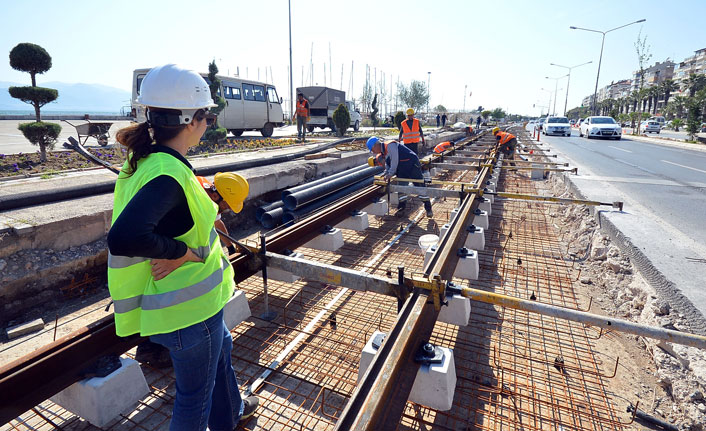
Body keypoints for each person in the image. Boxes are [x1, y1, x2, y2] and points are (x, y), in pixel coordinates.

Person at [107, 64, 258, 431]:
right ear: (190, 120)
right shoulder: (168, 175)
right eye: (206, 115)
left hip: (193, 307)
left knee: (222, 348)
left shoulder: (150, 160)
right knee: (193, 401)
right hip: (187, 310)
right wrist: (182, 254)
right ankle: (225, 416)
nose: (209, 123)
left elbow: (173, 221)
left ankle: (232, 412)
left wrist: (202, 228)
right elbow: (125, 237)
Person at [367, 136, 433, 217]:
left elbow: (395, 160)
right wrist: (386, 172)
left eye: (373, 150)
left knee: (419, 186)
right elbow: (388, 163)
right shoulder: (383, 152)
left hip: (412, 164)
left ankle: (428, 208)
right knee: (401, 188)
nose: (374, 153)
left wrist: (390, 173)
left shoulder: (390, 145)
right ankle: (401, 208)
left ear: (375, 146)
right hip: (402, 167)